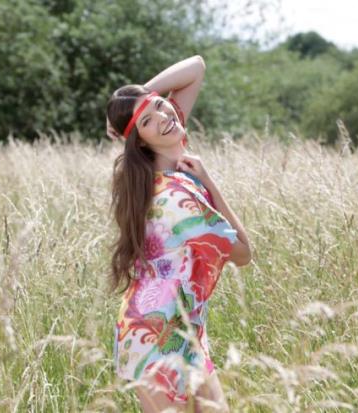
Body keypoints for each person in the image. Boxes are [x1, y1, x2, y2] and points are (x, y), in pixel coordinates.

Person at [105, 55, 252, 412]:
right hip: (155, 334)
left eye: (161, 106)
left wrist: (138, 99)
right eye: (147, 121)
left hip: (183, 327)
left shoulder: (168, 157)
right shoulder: (175, 195)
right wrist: (209, 181)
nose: (162, 117)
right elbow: (244, 253)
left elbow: (197, 67)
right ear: (140, 140)